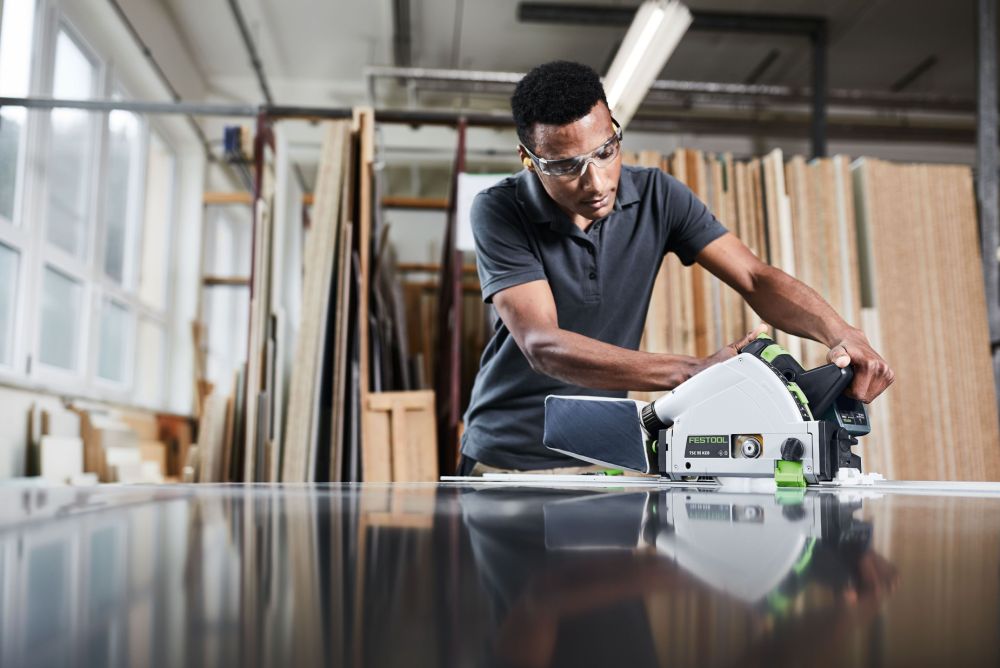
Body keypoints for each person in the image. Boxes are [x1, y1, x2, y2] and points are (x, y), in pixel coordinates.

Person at [458, 60, 894, 476]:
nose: (596, 181)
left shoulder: (657, 196)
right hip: (507, 455)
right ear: (528, 158)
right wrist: (693, 372)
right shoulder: (500, 210)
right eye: (565, 166)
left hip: (605, 449)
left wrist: (843, 334)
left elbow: (755, 277)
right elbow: (542, 344)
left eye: (605, 151)